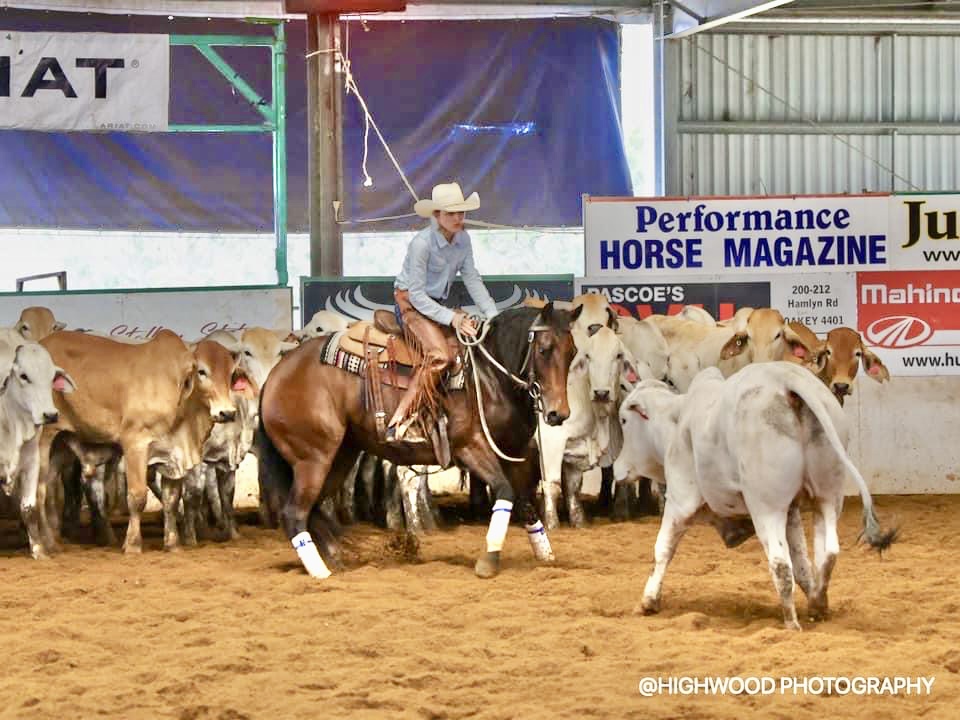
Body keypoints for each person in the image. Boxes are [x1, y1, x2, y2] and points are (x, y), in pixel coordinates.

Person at [387, 182, 499, 443]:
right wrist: (454, 318)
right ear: (437, 215)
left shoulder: (463, 239)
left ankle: (453, 416)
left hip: (437, 305)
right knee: (439, 356)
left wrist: (493, 315)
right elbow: (416, 295)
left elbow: (471, 278)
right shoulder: (422, 244)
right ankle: (400, 421)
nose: (458, 218)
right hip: (411, 305)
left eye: (461, 212)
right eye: (451, 213)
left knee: (471, 347)